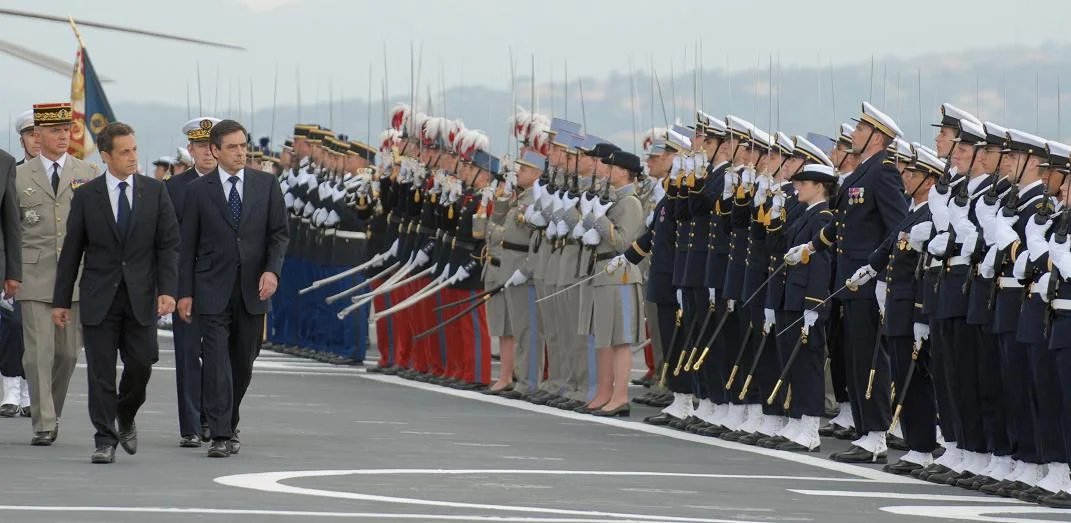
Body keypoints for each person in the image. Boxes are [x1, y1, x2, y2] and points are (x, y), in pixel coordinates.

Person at [52, 122, 180, 463]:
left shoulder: (155, 192)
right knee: (101, 372)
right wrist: (61, 301)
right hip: (99, 298)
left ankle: (125, 413)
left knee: (141, 365)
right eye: (124, 152)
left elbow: (168, 245)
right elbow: (72, 252)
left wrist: (168, 290)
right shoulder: (87, 196)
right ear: (106, 156)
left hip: (140, 297)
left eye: (135, 149)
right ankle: (104, 439)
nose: (132, 157)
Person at [177, 119, 289, 458]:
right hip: (211, 287)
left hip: (253, 289)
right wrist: (184, 292)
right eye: (233, 147)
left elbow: (279, 235)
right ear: (215, 151)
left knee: (244, 361)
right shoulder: (198, 191)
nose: (241, 152)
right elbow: (187, 246)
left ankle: (229, 416)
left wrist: (272, 272)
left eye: (243, 146)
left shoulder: (266, 185)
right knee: (215, 361)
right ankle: (222, 434)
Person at [15, 103, 99, 446]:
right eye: (55, 131)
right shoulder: (18, 176)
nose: (63, 136)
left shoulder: (89, 172)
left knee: (67, 354)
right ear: (38, 135)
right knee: (38, 353)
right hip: (33, 274)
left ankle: (53, 411)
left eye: (67, 130)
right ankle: (44, 422)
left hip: (76, 277)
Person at [576, 151, 646, 417]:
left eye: (613, 166)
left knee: (621, 339)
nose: (607, 169)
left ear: (625, 172)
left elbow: (623, 242)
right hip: (602, 272)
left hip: (620, 275)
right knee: (604, 337)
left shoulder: (630, 203)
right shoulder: (616, 200)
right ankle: (604, 392)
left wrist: (599, 219)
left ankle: (620, 396)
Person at [166, 117, 220, 448]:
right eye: (200, 146)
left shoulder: (235, 185)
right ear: (191, 150)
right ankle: (190, 424)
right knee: (188, 355)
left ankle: (214, 418)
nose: (207, 153)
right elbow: (167, 243)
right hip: (186, 281)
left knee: (218, 356)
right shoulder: (173, 188)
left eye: (211, 146)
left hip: (222, 282)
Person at [775, 163, 836, 452]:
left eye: (804, 183)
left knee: (809, 361)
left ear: (820, 187)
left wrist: (814, 304)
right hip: (793, 296)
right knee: (794, 360)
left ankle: (811, 428)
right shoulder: (806, 215)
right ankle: (798, 420)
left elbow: (821, 264)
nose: (797, 187)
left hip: (807, 300)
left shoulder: (823, 216)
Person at [0, 111, 29, 417]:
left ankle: (26, 389)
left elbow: (11, 223)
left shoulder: (4, 164)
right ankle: (11, 389)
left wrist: (12, 272)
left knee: (21, 326)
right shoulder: (14, 166)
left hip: (15, 264)